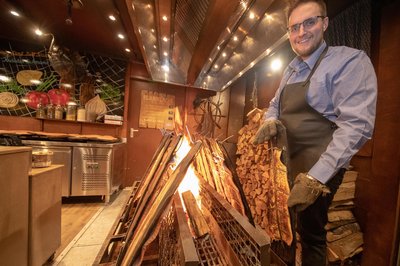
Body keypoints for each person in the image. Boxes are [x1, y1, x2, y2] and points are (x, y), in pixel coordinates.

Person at [253, 0, 377, 265]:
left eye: (309, 22)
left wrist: (315, 179)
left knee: (312, 235)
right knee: (297, 225)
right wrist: (270, 120)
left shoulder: (350, 61)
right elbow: (275, 104)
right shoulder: (290, 69)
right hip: (292, 160)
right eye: (294, 27)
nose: (301, 32)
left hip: (322, 166)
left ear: (325, 23)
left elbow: (357, 126)